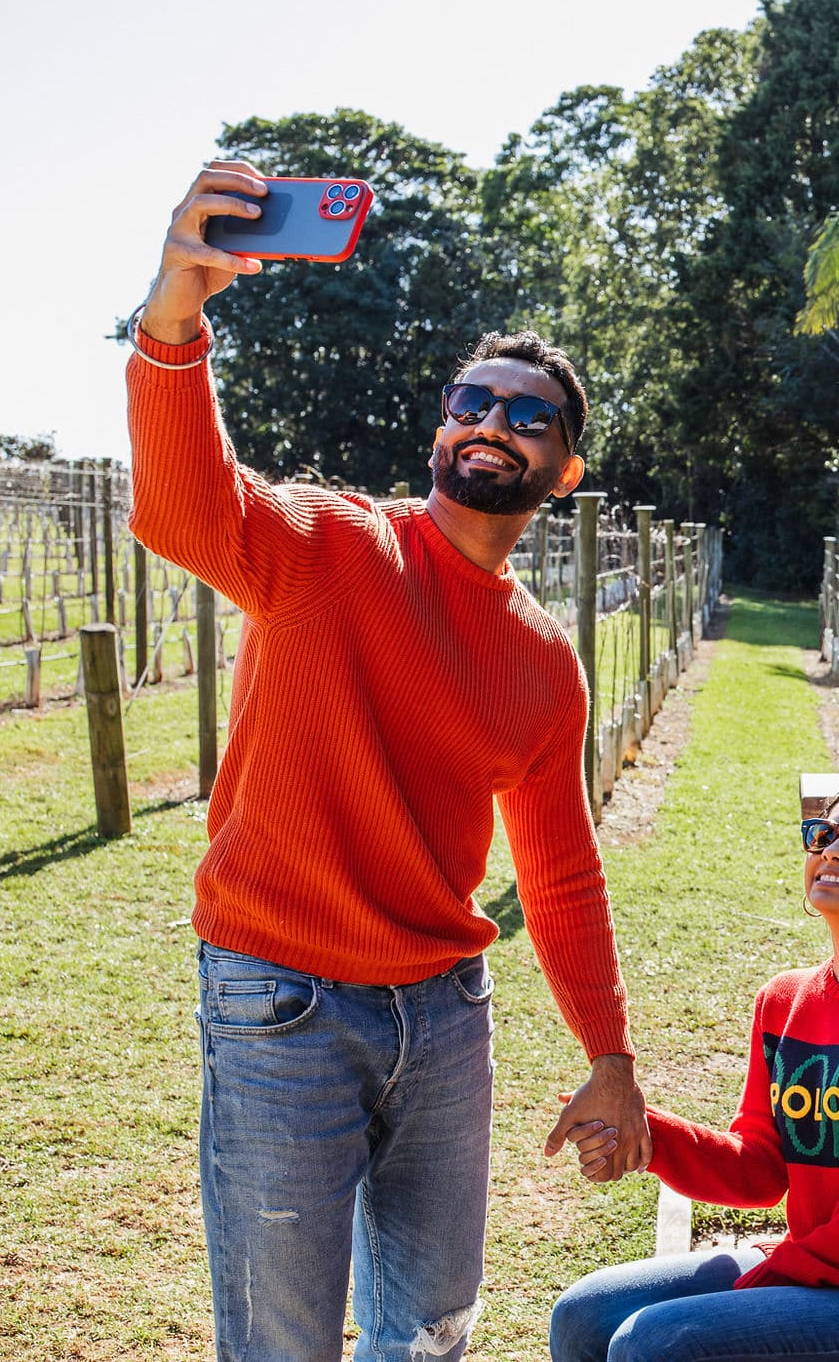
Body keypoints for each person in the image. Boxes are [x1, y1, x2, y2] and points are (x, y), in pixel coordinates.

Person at [128, 161, 645, 1360]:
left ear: (564, 474)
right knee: (284, 1341)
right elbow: (184, 511)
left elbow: (560, 876)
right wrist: (173, 317)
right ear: (439, 426)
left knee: (428, 1331)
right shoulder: (326, 542)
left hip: (445, 1019)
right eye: (476, 398)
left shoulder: (541, 659)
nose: (493, 422)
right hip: (279, 1004)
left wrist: (610, 1057)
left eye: (530, 416)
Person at [549, 783, 839, 1362]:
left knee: (655, 1344)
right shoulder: (782, 1000)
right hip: (822, 1265)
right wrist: (645, 1134)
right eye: (823, 835)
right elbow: (760, 1167)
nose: (835, 851)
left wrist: (778, 1270)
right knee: (582, 1316)